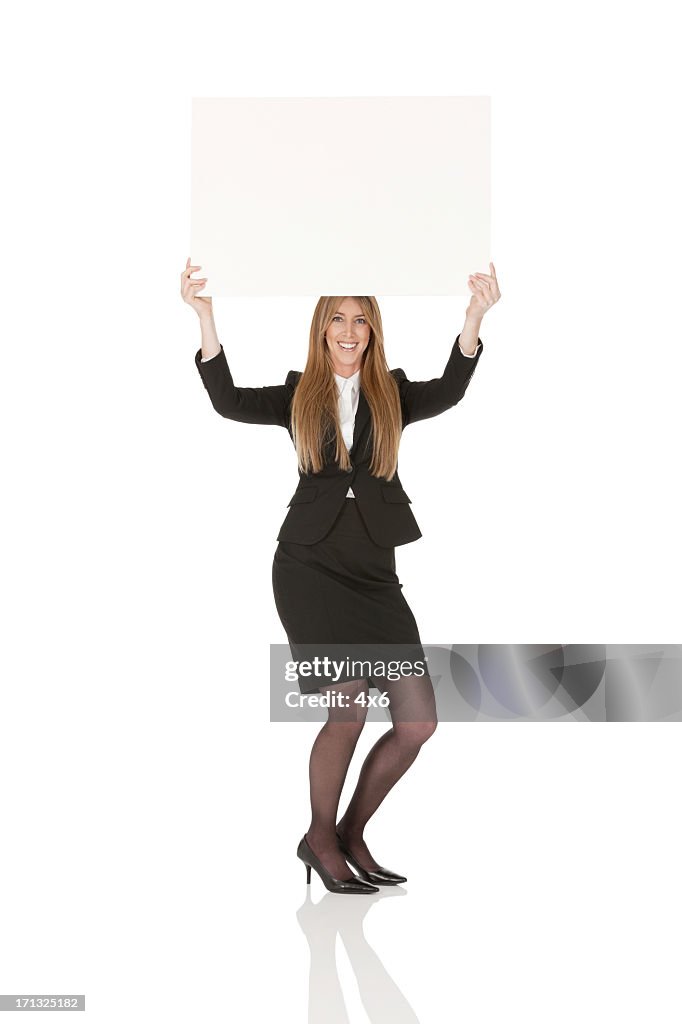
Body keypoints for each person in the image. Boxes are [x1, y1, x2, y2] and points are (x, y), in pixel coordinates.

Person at [181, 259, 501, 893]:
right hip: (309, 569)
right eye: (338, 317)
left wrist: (473, 318)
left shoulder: (394, 393)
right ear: (321, 327)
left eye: (361, 319)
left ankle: (349, 833)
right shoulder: (299, 393)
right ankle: (319, 837)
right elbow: (226, 401)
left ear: (373, 330)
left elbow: (452, 388)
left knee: (417, 722)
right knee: (348, 712)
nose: (349, 329)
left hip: (375, 575)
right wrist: (205, 317)